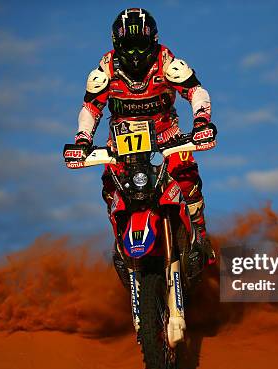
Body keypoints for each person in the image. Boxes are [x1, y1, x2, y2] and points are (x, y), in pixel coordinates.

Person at [73, 7, 216, 254]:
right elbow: (91, 108)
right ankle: (122, 246)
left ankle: (200, 238)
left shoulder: (168, 64)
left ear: (153, 41)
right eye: (129, 46)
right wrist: (82, 139)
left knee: (188, 184)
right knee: (111, 193)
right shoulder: (104, 71)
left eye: (141, 45)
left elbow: (196, 92)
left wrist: (201, 122)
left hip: (167, 140)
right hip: (120, 147)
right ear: (117, 45)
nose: (135, 54)